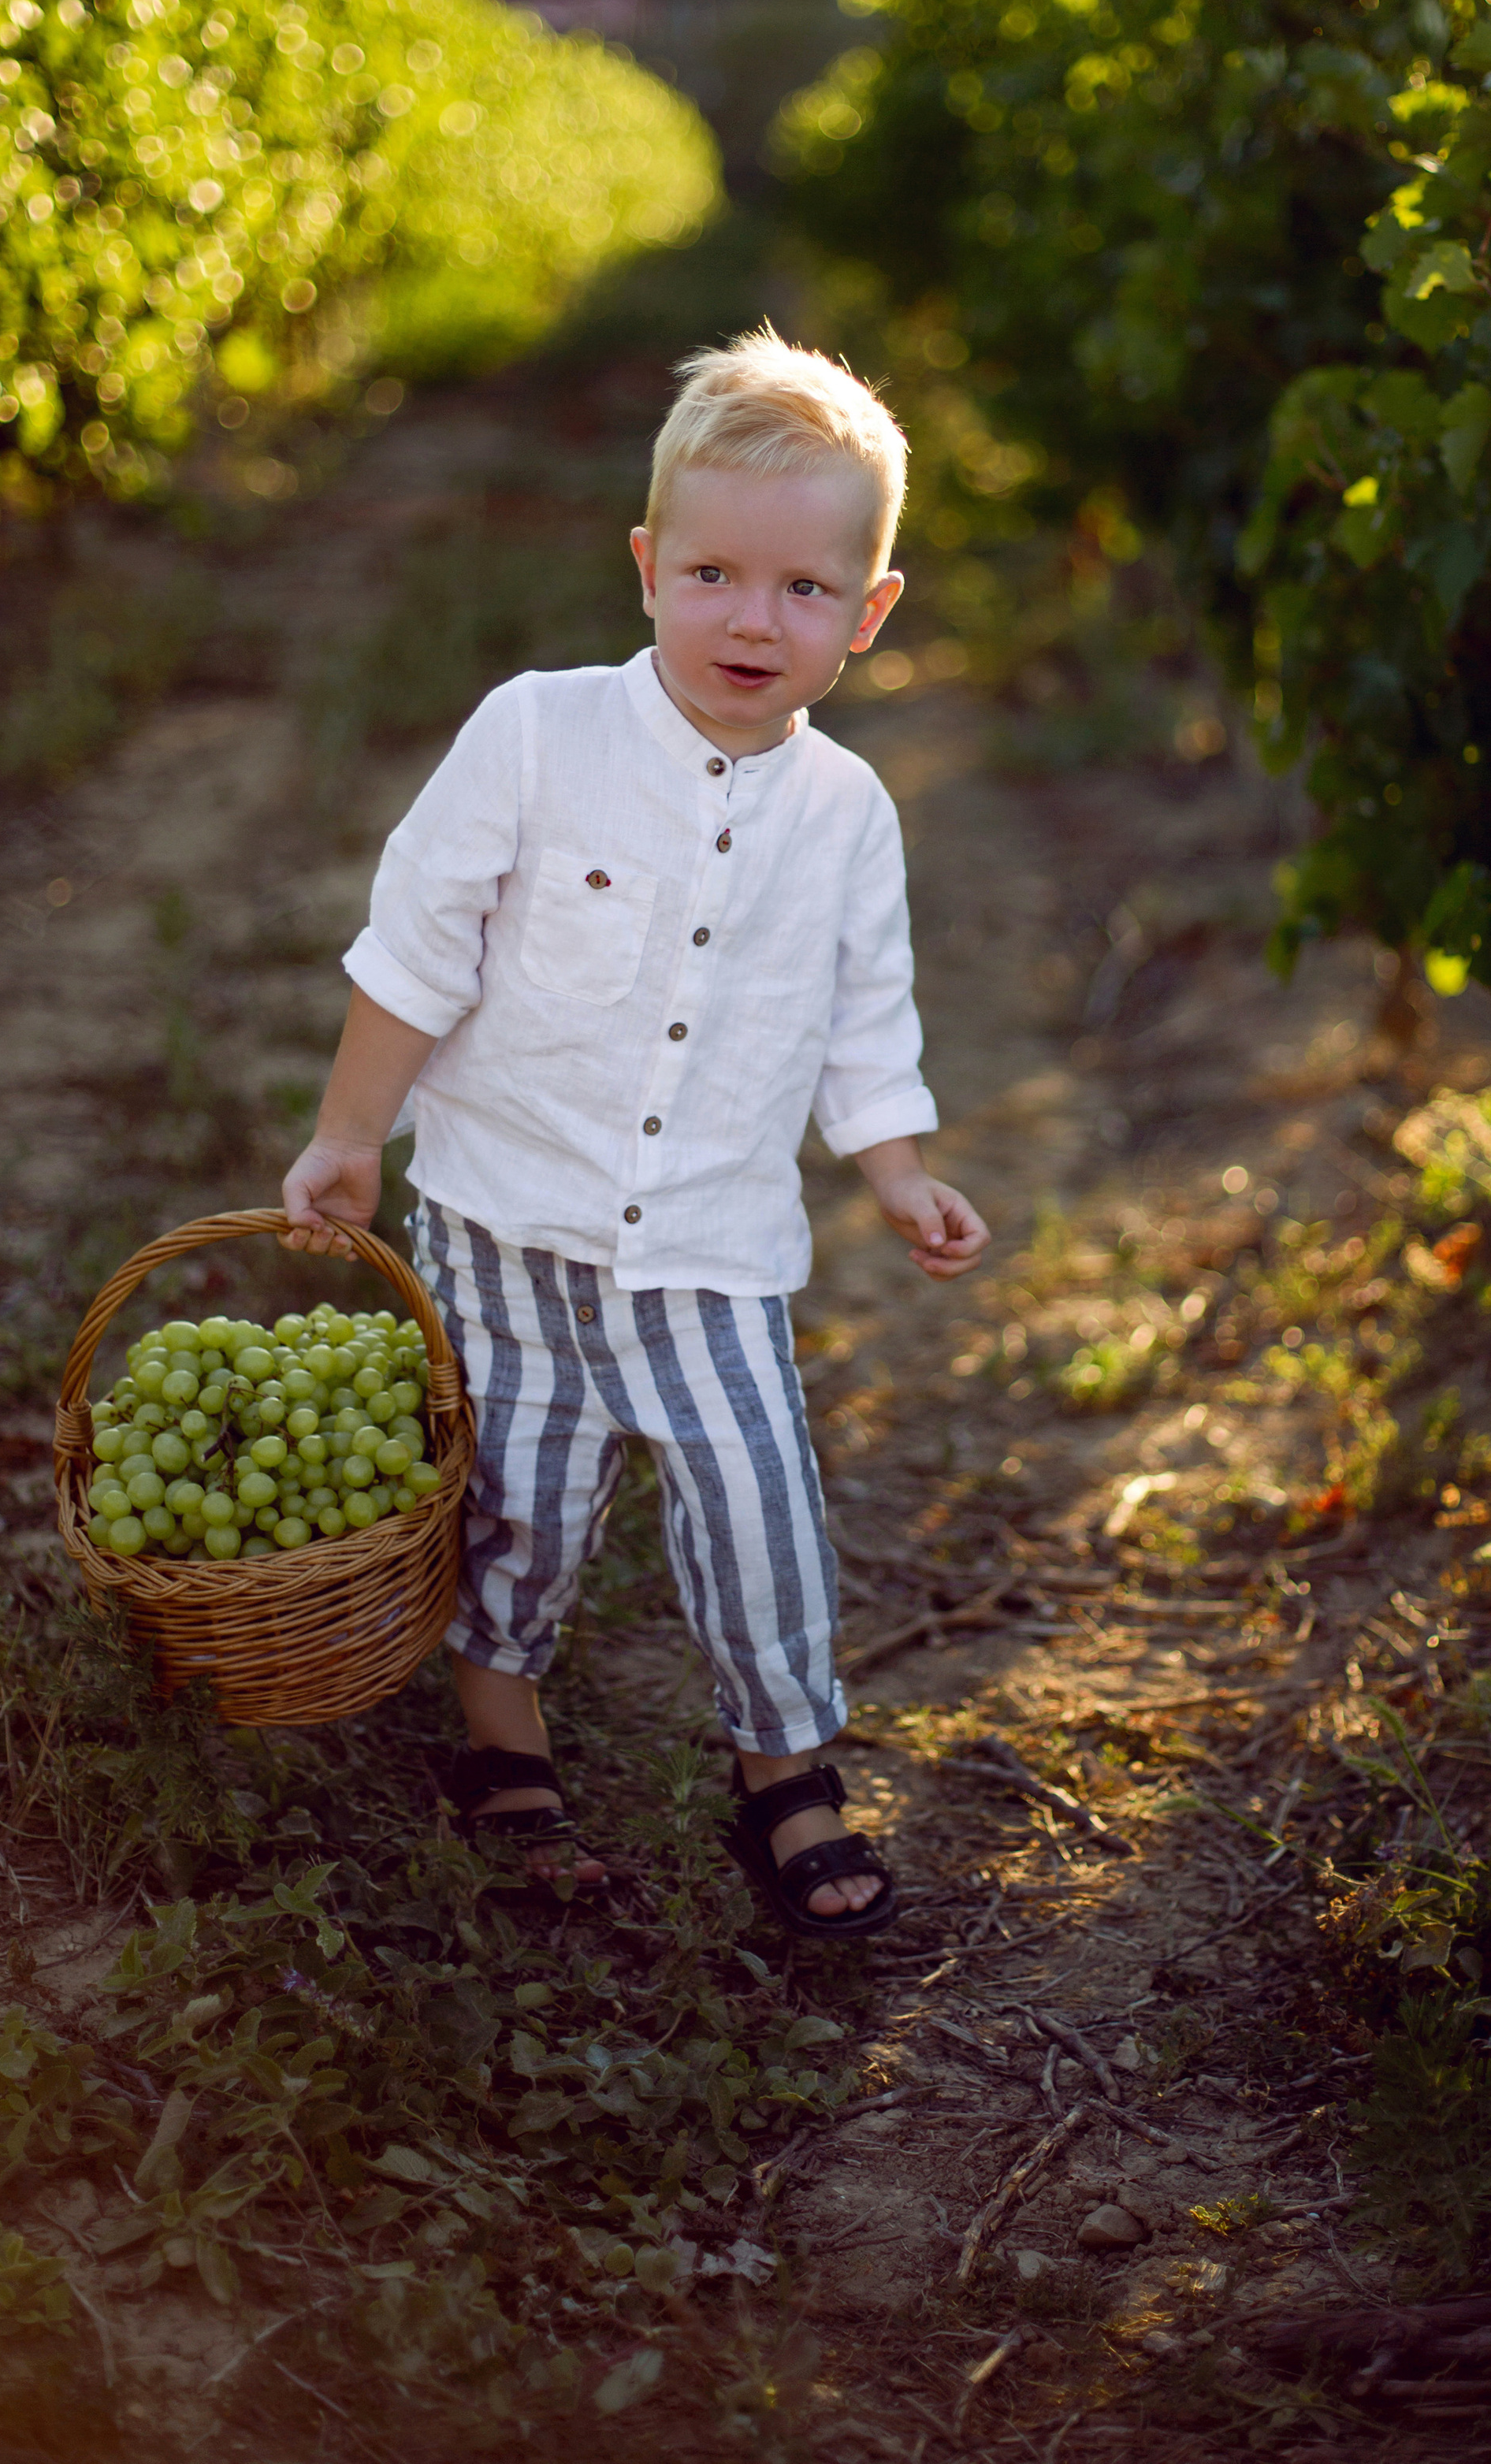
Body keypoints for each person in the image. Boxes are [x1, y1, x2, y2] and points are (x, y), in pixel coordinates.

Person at [281, 326, 989, 1935]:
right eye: (715, 574)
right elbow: (417, 946)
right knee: (516, 1508)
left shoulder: (845, 813)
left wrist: (896, 1167)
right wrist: (347, 1137)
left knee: (759, 1511)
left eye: (806, 590)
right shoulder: (537, 734)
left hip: (710, 1257)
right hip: (504, 1221)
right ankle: (499, 1747)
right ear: (646, 567)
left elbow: (862, 1013)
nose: (754, 619)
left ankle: (784, 1776)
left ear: (869, 614)